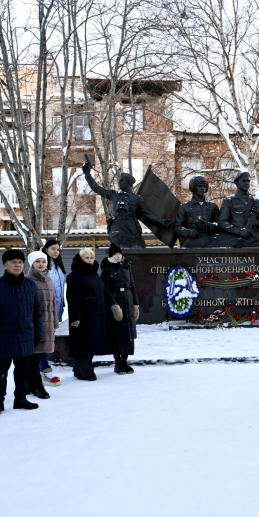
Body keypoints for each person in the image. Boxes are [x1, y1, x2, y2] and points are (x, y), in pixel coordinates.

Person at [0, 249, 43, 417]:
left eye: (20, 262)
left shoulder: (30, 285)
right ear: (5, 264)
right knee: (1, 372)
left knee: (22, 371)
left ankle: (20, 398)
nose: (17, 265)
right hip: (3, 337)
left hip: (25, 335)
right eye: (13, 262)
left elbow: (37, 312)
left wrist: (38, 333)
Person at [81, 158, 173, 249]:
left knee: (138, 248)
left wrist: (161, 221)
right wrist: (87, 175)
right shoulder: (114, 194)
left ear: (128, 183)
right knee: (118, 248)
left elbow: (147, 215)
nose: (119, 182)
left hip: (131, 228)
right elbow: (97, 188)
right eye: (119, 180)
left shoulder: (136, 198)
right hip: (118, 227)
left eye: (122, 180)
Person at [66, 248, 108, 381]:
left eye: (91, 257)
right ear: (81, 259)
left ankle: (82, 369)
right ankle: (83, 371)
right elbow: (72, 298)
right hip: (83, 316)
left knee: (91, 343)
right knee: (83, 344)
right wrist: (75, 317)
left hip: (95, 315)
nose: (89, 260)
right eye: (86, 257)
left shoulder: (94, 274)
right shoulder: (75, 275)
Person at [101, 243, 139, 374]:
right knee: (117, 335)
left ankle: (125, 361)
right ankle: (118, 362)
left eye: (119, 254)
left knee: (128, 334)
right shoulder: (107, 270)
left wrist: (136, 304)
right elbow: (106, 290)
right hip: (116, 304)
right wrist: (114, 305)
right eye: (115, 254)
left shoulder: (126, 267)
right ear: (111, 256)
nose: (118, 256)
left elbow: (133, 287)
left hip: (128, 303)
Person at [25, 251, 59, 400]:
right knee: (33, 358)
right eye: (37, 261)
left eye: (43, 261)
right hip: (35, 325)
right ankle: (37, 386)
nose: (41, 264)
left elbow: (53, 304)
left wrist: (54, 322)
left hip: (47, 324)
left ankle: (30, 385)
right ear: (32, 263)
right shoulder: (28, 280)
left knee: (37, 357)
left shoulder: (48, 279)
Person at [218, 171, 259, 247]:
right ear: (237, 183)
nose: (246, 183)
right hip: (235, 240)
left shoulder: (254, 201)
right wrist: (239, 231)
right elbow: (222, 222)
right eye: (244, 181)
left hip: (254, 240)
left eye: (248, 181)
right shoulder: (229, 201)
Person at [40, 238, 65, 387]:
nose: (56, 252)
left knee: (48, 340)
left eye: (58, 249)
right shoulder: (42, 265)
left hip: (56, 310)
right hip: (45, 311)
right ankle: (44, 371)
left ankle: (41, 370)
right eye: (53, 249)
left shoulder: (57, 265)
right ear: (46, 249)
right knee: (43, 341)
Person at [174, 175, 220, 248]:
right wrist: (189, 233)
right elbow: (177, 228)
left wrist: (207, 225)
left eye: (204, 186)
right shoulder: (184, 207)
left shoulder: (213, 206)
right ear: (194, 187)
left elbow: (220, 226)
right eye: (199, 186)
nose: (202, 188)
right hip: (191, 243)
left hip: (210, 242)